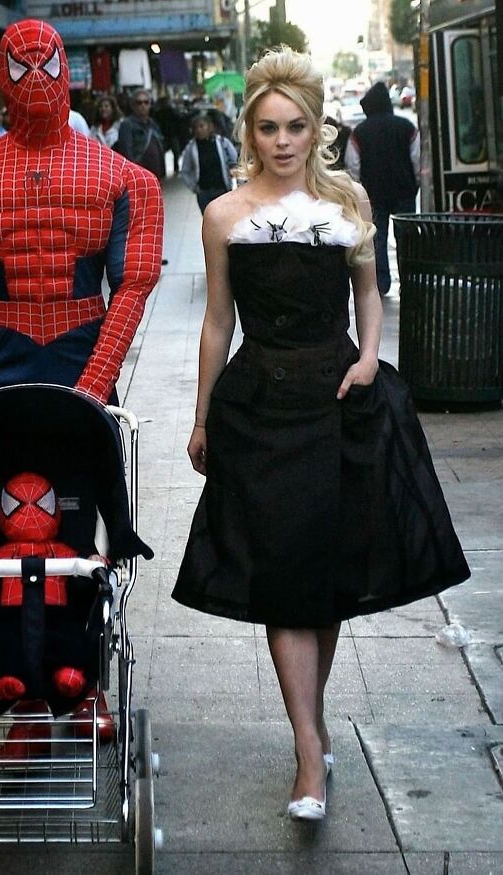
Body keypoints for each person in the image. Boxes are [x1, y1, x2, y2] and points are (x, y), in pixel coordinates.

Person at [172, 48, 470, 823]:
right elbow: (217, 322)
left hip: (338, 400)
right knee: (283, 576)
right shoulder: (223, 215)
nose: (282, 140)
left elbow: (369, 291)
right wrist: (201, 417)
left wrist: (370, 357)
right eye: (268, 127)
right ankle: (310, 748)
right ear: (250, 132)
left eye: (295, 126)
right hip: (259, 409)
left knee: (327, 575)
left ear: (315, 129)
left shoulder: (347, 202)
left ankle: (312, 725)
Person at [0, 19, 163, 414]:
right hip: (9, 367)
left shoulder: (127, 181)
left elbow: (133, 286)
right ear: (2, 77)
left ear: (63, 69)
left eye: (45, 65)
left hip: (71, 361)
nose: (35, 77)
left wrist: (95, 384)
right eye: (21, 67)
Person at [344, 81, 420, 296]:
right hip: (404, 191)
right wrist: (414, 183)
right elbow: (417, 159)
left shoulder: (360, 132)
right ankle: (408, 280)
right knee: (406, 238)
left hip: (374, 195)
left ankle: (381, 283)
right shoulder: (406, 127)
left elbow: (353, 165)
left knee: (377, 240)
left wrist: (361, 190)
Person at [179, 114, 238, 213]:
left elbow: (234, 158)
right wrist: (194, 187)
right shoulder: (191, 148)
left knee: (224, 217)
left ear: (209, 127)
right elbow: (185, 170)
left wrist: (231, 171)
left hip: (222, 189)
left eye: (202, 126)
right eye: (196, 128)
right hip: (204, 192)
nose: (199, 130)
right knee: (209, 218)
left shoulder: (222, 142)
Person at [116, 88, 166, 181]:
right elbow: (126, 151)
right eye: (139, 103)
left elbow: (160, 148)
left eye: (146, 102)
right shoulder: (127, 124)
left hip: (155, 176)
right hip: (138, 176)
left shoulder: (153, 124)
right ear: (133, 105)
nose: (143, 105)